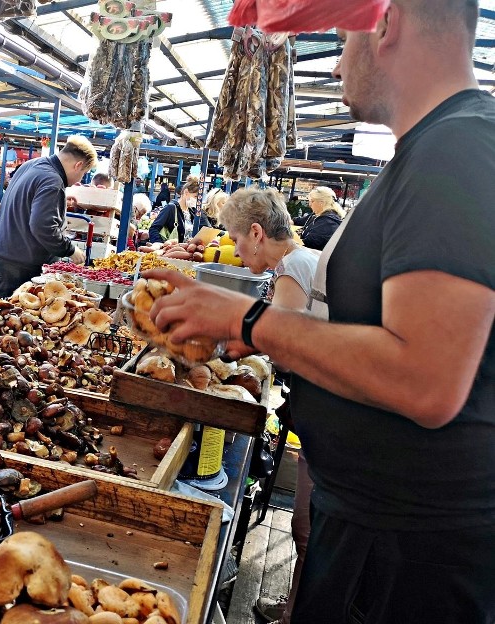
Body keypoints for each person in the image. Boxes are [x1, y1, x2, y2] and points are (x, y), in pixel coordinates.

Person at [147, 2, 495, 621]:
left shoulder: (457, 147)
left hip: (411, 558)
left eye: (340, 38)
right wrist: (265, 338)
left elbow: (427, 379)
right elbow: (379, 339)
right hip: (382, 533)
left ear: (386, 24)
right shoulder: (431, 149)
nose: (335, 64)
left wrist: (246, 320)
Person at [217, 188, 319, 624]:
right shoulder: (305, 260)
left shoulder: (293, 268)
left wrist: (232, 342)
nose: (236, 251)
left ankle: (298, 613)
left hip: (324, 414)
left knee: (306, 527)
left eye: (236, 238)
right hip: (323, 409)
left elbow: (285, 345)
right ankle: (297, 607)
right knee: (309, 526)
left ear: (256, 233)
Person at [0, 135, 96, 297]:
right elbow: (43, 227)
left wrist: (59, 202)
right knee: (16, 316)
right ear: (78, 165)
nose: (79, 179)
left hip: (4, 256)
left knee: (1, 313)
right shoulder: (52, 181)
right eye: (84, 173)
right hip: (20, 266)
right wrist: (70, 249)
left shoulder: (32, 164)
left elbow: (26, 202)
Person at [148, 176, 210, 244]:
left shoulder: (192, 212)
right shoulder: (170, 208)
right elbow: (153, 229)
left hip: (185, 251)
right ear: (186, 192)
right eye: (195, 197)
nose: (197, 200)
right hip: (171, 251)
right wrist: (160, 245)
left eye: (199, 198)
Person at [293, 186, 344, 250]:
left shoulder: (327, 221)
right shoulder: (318, 215)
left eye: (312, 201)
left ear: (321, 203)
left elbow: (309, 244)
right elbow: (299, 220)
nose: (309, 204)